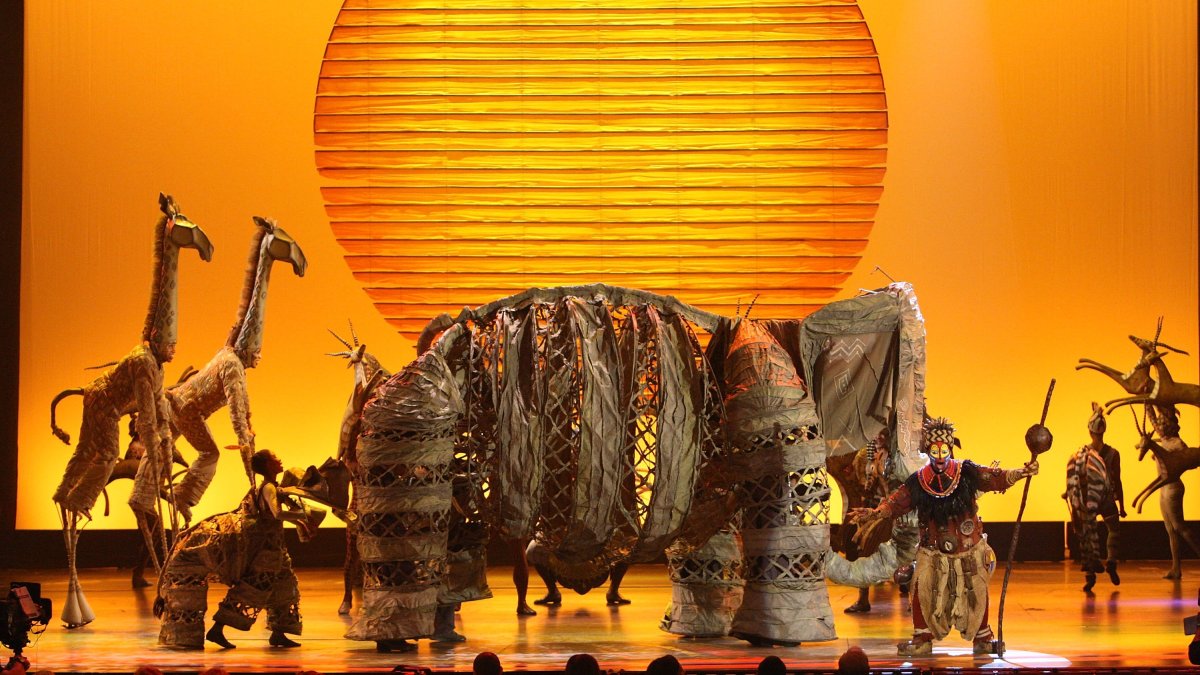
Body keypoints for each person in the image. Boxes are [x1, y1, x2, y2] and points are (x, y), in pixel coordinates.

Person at [849, 417, 1039, 657]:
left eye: (944, 450)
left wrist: (1021, 472)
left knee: (976, 591)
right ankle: (922, 638)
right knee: (921, 587)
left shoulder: (966, 472)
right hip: (933, 550)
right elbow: (898, 501)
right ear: (929, 451)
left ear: (950, 449)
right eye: (935, 450)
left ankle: (983, 638)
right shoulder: (919, 480)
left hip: (968, 548)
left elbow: (993, 477)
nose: (939, 456)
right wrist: (875, 513)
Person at [156, 449, 314, 649]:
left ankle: (279, 632)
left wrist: (301, 520)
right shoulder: (268, 488)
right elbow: (276, 513)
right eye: (275, 458)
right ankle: (217, 629)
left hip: (275, 548)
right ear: (267, 465)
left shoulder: (272, 487)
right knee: (253, 590)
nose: (279, 459)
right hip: (265, 551)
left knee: (284, 587)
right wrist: (302, 516)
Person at [1063, 403, 1124, 592]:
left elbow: (1072, 479)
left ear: (1089, 431)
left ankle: (1089, 575)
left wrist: (1069, 494)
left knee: (1084, 531)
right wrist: (1121, 505)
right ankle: (1111, 561)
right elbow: (1118, 481)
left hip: (1084, 500)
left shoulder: (1079, 454)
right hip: (1105, 499)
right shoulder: (1113, 453)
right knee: (1114, 529)